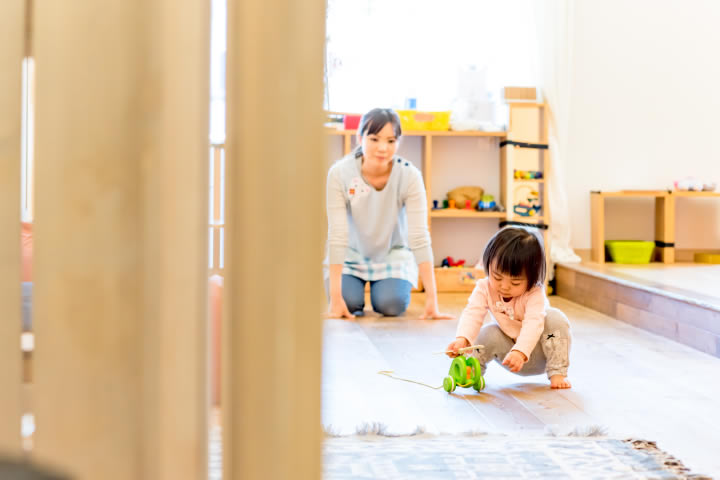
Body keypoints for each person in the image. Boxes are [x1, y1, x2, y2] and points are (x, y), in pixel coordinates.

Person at [325, 108, 451, 320]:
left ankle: (385, 290)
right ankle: (343, 293)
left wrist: (432, 301)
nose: (383, 148)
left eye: (391, 141)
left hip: (393, 255)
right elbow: (337, 234)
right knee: (349, 303)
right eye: (374, 139)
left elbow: (419, 235)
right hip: (350, 255)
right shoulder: (339, 173)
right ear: (360, 137)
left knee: (390, 305)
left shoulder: (409, 175)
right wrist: (335, 299)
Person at [445, 227, 572, 389]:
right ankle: (472, 373)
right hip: (509, 356)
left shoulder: (534, 293)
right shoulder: (484, 287)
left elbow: (534, 324)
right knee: (488, 333)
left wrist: (521, 351)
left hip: (541, 353)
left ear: (532, 278)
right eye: (497, 277)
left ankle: (557, 373)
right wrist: (462, 339)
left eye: (515, 282)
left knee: (555, 318)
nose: (504, 286)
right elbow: (473, 313)